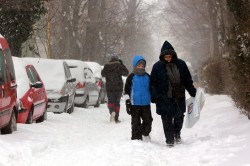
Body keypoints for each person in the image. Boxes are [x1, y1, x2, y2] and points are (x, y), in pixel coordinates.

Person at [150, 41, 196, 147]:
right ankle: (169, 140)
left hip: (178, 96)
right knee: (166, 119)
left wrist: (192, 90)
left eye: (170, 56)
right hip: (163, 98)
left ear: (173, 55)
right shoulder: (157, 67)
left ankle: (177, 134)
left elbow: (187, 79)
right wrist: (154, 95)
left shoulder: (181, 64)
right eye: (166, 57)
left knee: (179, 117)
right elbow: (153, 83)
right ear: (162, 56)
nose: (168, 59)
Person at [124, 55, 153, 141]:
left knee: (148, 121)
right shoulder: (131, 77)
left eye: (142, 66)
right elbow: (126, 91)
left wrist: (155, 96)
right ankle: (136, 138)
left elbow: (152, 88)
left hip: (146, 104)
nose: (141, 67)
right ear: (135, 66)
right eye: (139, 65)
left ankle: (145, 133)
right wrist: (128, 102)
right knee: (135, 123)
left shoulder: (148, 77)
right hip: (134, 104)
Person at [101, 55, 129, 123]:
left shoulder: (107, 66)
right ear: (117, 60)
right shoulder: (119, 66)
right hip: (118, 88)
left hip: (109, 87)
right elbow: (126, 73)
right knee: (117, 102)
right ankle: (116, 118)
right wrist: (122, 64)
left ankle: (112, 112)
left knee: (111, 101)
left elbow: (102, 74)